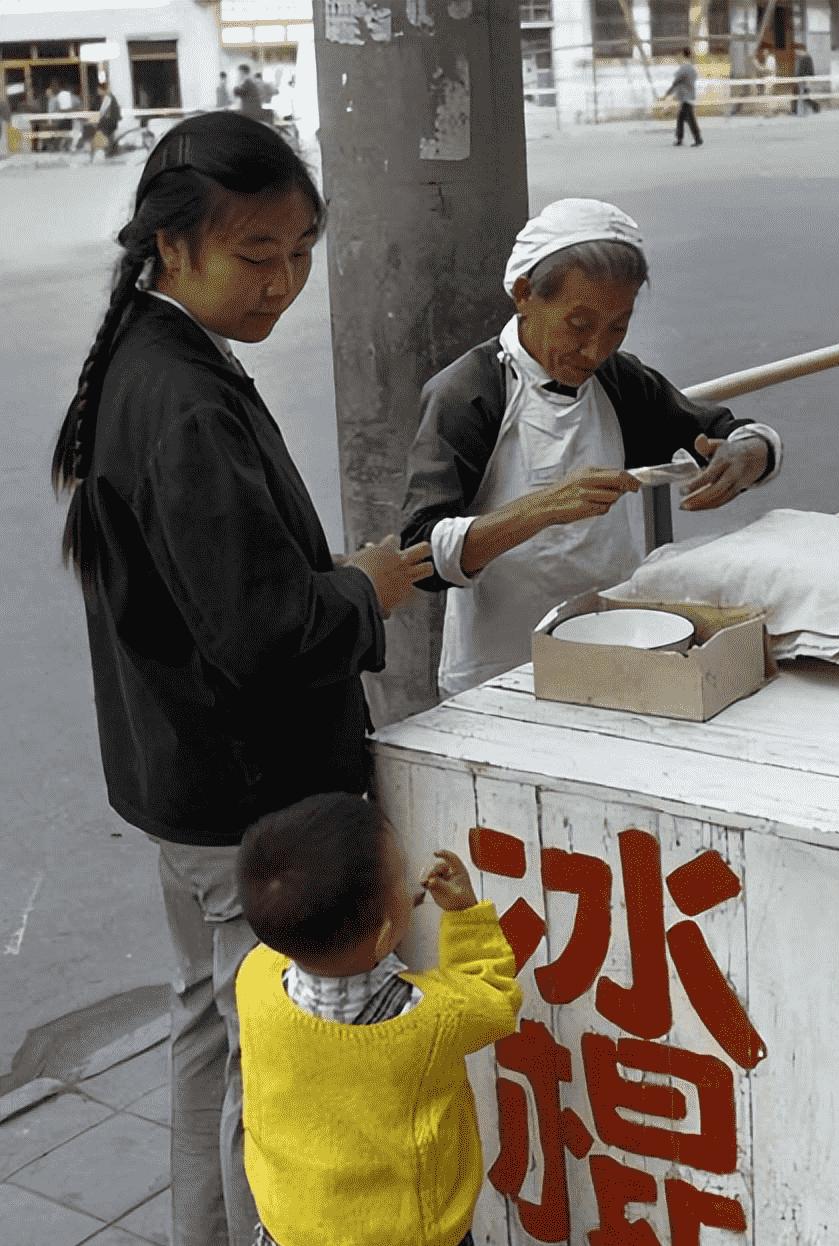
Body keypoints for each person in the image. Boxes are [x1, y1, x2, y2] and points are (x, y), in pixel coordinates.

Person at [50, 111, 433, 1246]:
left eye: (302, 250)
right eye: (257, 255)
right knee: (266, 1068)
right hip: (245, 805)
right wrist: (363, 589)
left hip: (185, 788)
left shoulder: (154, 356)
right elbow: (262, 631)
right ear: (172, 248)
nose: (285, 282)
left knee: (211, 1034)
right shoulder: (178, 396)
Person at [401, 198, 783, 697]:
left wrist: (747, 454)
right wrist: (540, 509)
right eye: (579, 325)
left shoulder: (617, 381)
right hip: (500, 669)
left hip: (618, 645)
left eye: (617, 327)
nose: (595, 350)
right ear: (524, 294)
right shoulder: (469, 393)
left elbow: (725, 430)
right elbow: (420, 555)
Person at [235, 792, 520, 1246]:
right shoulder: (425, 1019)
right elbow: (493, 997)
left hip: (291, 1229)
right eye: (403, 876)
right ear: (388, 929)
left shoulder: (254, 977)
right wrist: (465, 917)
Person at [662, 46, 702, 147]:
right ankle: (680, 138)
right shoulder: (692, 68)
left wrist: (669, 91)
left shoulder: (685, 67)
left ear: (682, 54)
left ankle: (697, 138)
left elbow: (677, 81)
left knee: (690, 119)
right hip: (689, 95)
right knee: (681, 118)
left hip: (685, 97)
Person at [792, 43, 820, 114]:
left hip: (805, 80)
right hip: (800, 79)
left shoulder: (807, 58)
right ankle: (795, 110)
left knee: (805, 96)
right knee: (797, 94)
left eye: (797, 51)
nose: (796, 53)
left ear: (801, 50)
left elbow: (810, 70)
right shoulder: (800, 58)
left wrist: (807, 79)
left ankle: (816, 106)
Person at [94, 84, 121, 159]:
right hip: (113, 120)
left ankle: (110, 151)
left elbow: (103, 110)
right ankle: (113, 151)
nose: (98, 92)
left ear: (103, 90)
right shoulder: (111, 96)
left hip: (110, 121)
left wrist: (99, 119)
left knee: (108, 136)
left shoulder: (107, 97)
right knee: (110, 136)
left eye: (99, 90)